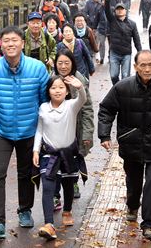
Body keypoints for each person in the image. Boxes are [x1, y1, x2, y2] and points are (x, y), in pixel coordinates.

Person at [98, 51, 151, 241]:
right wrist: (104, 134)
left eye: (150, 64)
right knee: (133, 180)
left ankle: (149, 223)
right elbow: (106, 109)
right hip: (130, 143)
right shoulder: (122, 88)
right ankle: (133, 205)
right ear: (135, 66)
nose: (147, 69)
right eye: (142, 65)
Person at [0, 26, 49, 239]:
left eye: (14, 40)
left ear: (22, 43)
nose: (10, 44)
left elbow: (46, 103)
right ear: (1, 44)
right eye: (6, 40)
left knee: (26, 173)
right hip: (1, 129)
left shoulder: (37, 69)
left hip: (29, 130)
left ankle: (25, 210)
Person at [33, 75, 87, 241]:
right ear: (48, 91)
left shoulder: (71, 106)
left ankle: (67, 211)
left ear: (66, 91)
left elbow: (82, 99)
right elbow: (40, 130)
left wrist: (80, 87)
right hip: (49, 154)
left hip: (68, 154)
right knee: (48, 186)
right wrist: (36, 150)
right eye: (53, 87)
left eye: (61, 87)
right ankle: (49, 223)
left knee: (68, 184)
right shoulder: (43, 108)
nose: (57, 90)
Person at [53, 49, 95, 205]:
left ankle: (73, 182)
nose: (63, 66)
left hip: (75, 129)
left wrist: (87, 134)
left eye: (67, 63)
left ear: (73, 64)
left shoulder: (79, 80)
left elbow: (87, 108)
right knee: (55, 161)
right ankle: (55, 193)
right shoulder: (51, 79)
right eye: (60, 63)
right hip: (56, 128)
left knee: (74, 159)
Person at [104, 0, 142, 85]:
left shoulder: (132, 24)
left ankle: (123, 92)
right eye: (118, 9)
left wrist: (140, 52)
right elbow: (107, 10)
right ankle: (117, 88)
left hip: (126, 54)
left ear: (125, 10)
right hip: (114, 53)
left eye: (122, 9)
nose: (120, 10)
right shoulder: (112, 20)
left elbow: (136, 39)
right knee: (114, 75)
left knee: (126, 76)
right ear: (115, 11)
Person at [84, 0, 107, 64]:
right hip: (91, 25)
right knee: (94, 41)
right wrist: (89, 19)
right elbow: (85, 12)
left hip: (100, 26)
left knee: (101, 42)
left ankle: (101, 57)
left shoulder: (101, 4)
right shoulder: (88, 3)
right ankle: (95, 56)